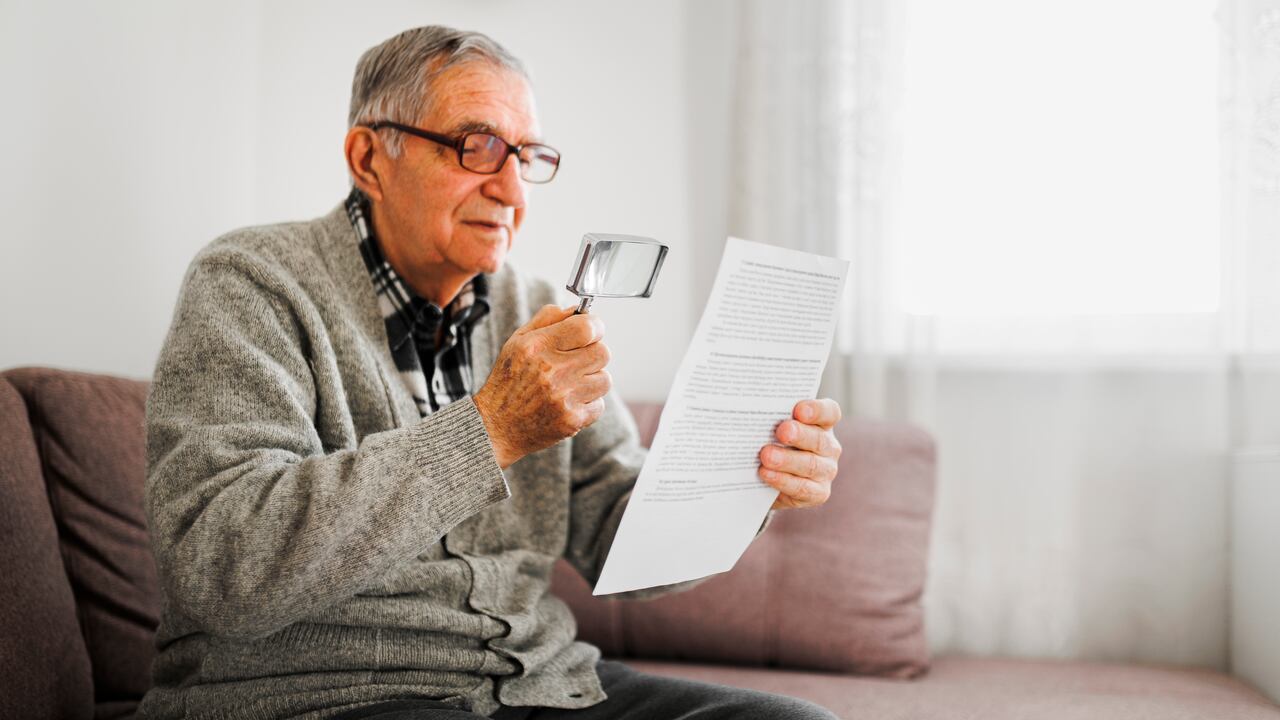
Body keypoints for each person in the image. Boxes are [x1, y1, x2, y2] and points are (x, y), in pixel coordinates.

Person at [140, 26, 842, 720]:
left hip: (538, 684)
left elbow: (617, 544)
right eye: (477, 147)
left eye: (527, 155)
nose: (511, 188)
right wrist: (492, 429)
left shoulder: (533, 307)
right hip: (325, 691)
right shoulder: (250, 283)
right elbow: (222, 568)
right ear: (368, 158)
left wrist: (748, 482)